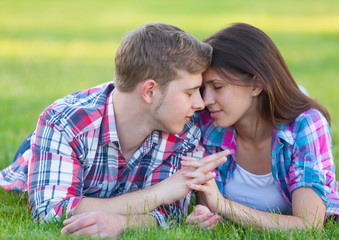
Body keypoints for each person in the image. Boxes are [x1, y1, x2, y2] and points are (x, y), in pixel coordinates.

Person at [0, 23, 229, 238]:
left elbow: (169, 214)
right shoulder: (62, 122)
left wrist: (120, 222)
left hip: (112, 133)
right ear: (149, 91)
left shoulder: (186, 132)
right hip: (53, 150)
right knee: (28, 163)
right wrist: (159, 193)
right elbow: (51, 211)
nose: (200, 104)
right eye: (189, 93)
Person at [183, 23, 339, 230]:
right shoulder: (207, 123)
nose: (205, 100)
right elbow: (207, 207)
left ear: (256, 85)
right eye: (203, 88)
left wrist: (224, 206)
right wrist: (202, 216)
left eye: (218, 87)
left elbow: (309, 225)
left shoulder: (305, 125)